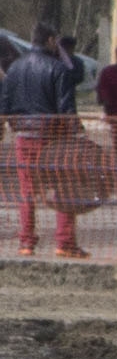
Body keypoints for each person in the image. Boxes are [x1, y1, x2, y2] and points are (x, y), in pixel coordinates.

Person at [5, 24, 87, 258]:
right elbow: (66, 108)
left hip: (23, 137)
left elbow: (6, 104)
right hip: (53, 138)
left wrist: (12, 126)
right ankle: (64, 242)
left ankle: (26, 242)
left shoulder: (15, 68)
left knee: (27, 192)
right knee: (64, 189)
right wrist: (77, 135)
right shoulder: (58, 69)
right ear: (51, 40)